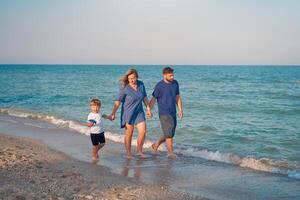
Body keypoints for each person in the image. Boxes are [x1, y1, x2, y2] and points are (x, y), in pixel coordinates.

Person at [109, 69, 152, 158]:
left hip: (139, 111)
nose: (131, 80)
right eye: (129, 78)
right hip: (128, 112)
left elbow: (144, 97)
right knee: (129, 133)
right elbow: (118, 101)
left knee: (143, 131)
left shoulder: (141, 84)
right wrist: (113, 113)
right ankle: (128, 153)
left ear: (137, 77)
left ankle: (139, 151)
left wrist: (148, 109)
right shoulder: (124, 86)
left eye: (133, 78)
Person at [150, 67, 183, 159]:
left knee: (170, 133)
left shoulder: (175, 83)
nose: (172, 77)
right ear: (164, 75)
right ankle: (170, 153)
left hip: (173, 111)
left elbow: (177, 97)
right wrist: (149, 110)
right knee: (169, 134)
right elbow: (153, 99)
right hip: (164, 112)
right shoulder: (159, 86)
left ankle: (156, 144)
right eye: (170, 75)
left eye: (173, 75)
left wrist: (180, 109)